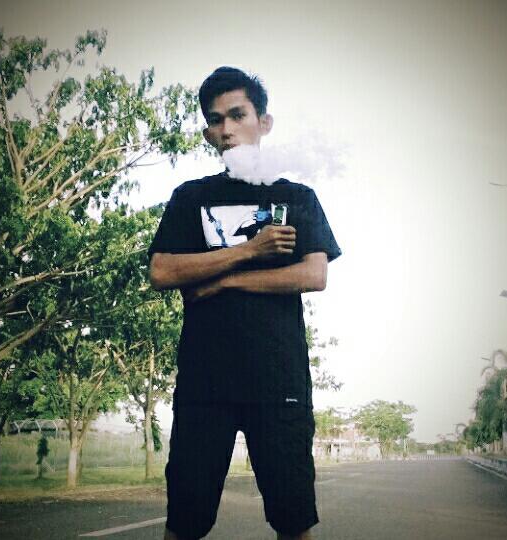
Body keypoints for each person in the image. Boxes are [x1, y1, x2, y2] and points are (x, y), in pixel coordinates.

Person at [148, 66, 341, 540]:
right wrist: (250, 251)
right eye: (216, 120)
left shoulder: (296, 197)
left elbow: (313, 275)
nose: (227, 129)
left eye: (238, 115)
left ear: (264, 122)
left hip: (279, 383)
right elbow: (162, 271)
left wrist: (228, 282)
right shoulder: (191, 197)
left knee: (294, 520)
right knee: (185, 522)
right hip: (204, 384)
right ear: (207, 133)